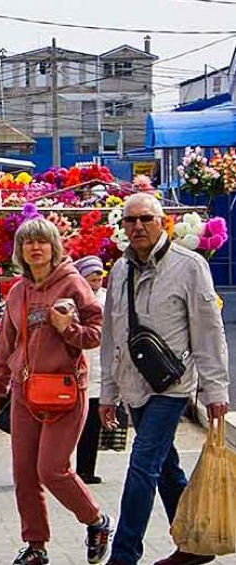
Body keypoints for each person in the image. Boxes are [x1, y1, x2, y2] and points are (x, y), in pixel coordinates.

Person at [100, 193, 231, 565]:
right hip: (133, 385)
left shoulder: (189, 267)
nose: (138, 226)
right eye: (130, 221)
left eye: (146, 219)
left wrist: (215, 389)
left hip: (173, 386)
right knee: (165, 466)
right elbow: (112, 334)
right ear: (123, 227)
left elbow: (208, 331)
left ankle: (124, 555)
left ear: (163, 222)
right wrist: (108, 392)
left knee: (143, 465)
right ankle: (192, 546)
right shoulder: (120, 271)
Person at [0, 218, 112, 565]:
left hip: (65, 391)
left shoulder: (73, 284)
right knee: (24, 473)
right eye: (28, 243)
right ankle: (36, 546)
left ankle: (96, 521)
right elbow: (5, 345)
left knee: (51, 469)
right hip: (25, 392)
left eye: (42, 242)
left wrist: (68, 329)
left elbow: (97, 333)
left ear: (54, 247)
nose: (35, 249)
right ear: (20, 251)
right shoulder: (17, 292)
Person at [72, 256, 107, 486]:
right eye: (91, 275)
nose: (96, 279)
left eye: (99, 275)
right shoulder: (74, 300)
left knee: (92, 427)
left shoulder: (108, 297)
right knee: (71, 426)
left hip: (100, 374)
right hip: (76, 372)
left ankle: (86, 470)